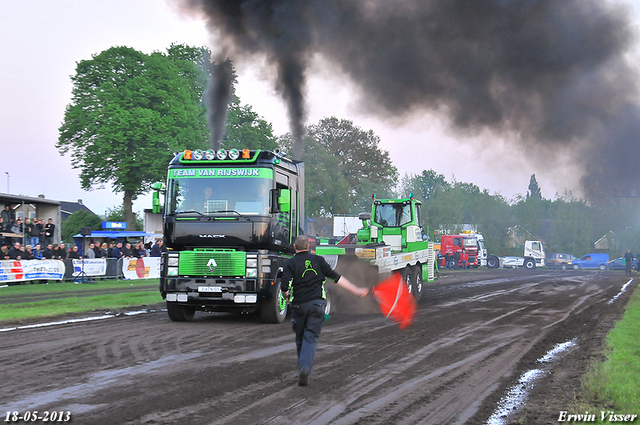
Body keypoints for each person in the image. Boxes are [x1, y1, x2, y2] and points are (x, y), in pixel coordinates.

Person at [280, 235, 369, 387]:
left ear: (295, 248)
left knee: (300, 337)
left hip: (299, 306)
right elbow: (337, 278)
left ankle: (302, 366)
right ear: (308, 247)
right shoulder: (319, 261)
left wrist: (286, 296)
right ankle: (305, 368)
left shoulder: (290, 263)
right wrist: (356, 289)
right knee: (311, 337)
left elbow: (284, 286)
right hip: (316, 305)